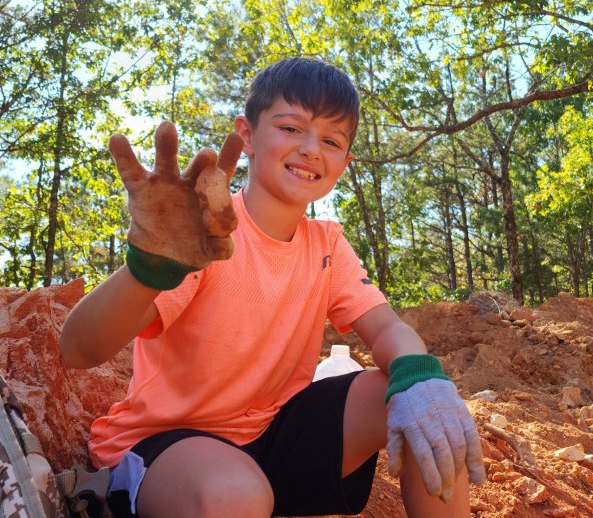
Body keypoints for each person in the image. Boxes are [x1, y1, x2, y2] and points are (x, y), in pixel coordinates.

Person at [60, 57, 485, 518]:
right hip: (170, 446)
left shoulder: (327, 244)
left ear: (345, 161)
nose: (310, 149)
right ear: (247, 135)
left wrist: (421, 378)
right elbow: (78, 348)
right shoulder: (200, 234)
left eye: (330, 140)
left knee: (432, 410)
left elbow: (385, 329)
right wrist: (147, 269)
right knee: (237, 495)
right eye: (290, 128)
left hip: (272, 435)